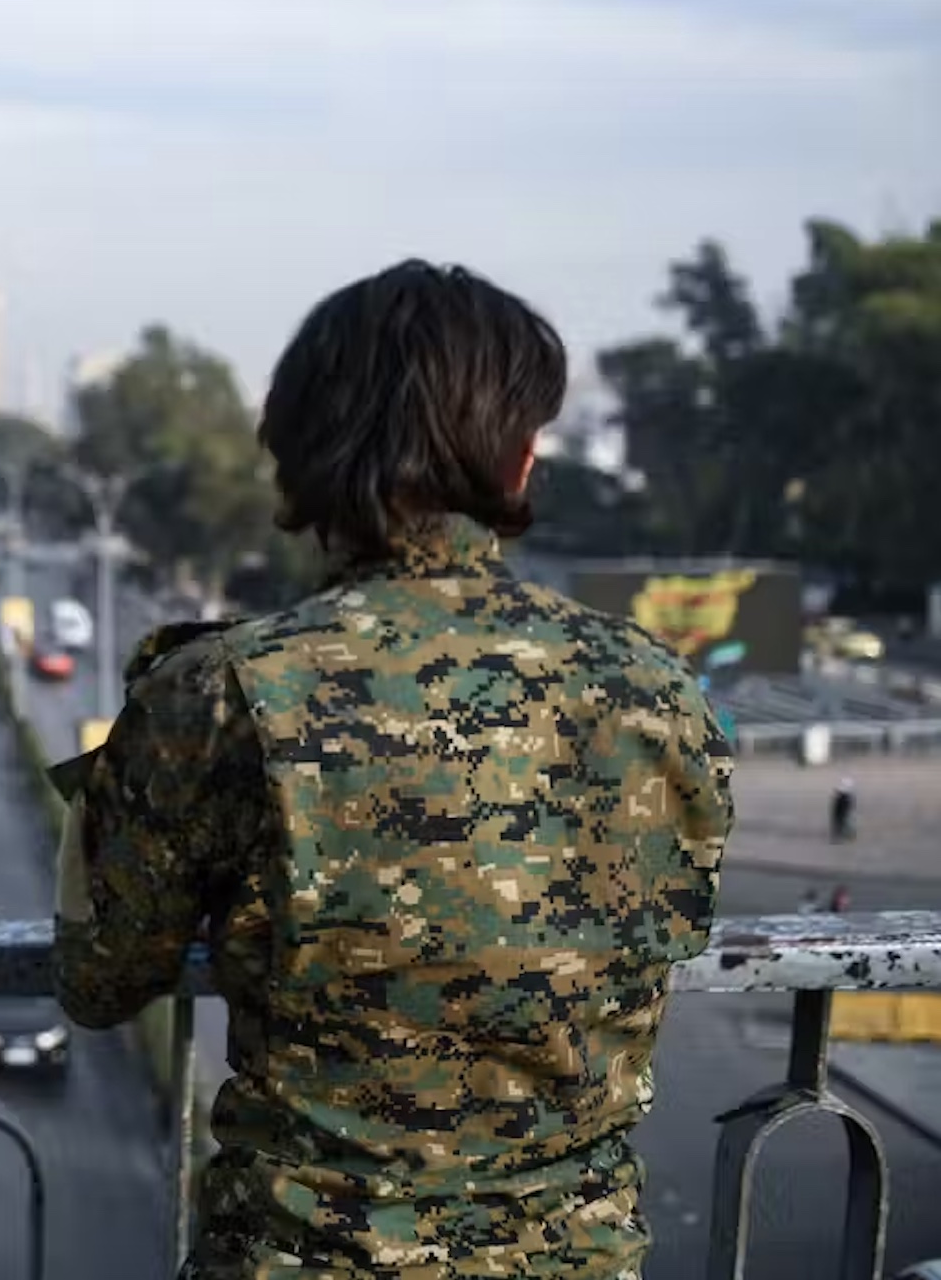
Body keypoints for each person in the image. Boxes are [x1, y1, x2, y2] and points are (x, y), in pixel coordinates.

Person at [50, 260, 734, 1280]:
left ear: (300, 459)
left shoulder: (225, 689)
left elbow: (97, 974)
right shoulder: (656, 691)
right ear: (521, 460)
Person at [832, 777, 858, 842]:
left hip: (841, 807)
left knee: (843, 821)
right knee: (845, 820)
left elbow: (837, 806)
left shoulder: (840, 795)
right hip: (843, 806)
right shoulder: (847, 795)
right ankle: (846, 834)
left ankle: (842, 834)